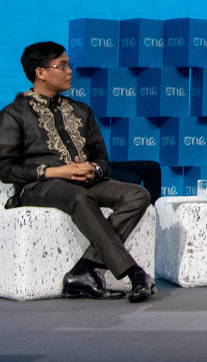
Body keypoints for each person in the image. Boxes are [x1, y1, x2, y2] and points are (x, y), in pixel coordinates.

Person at [0, 42, 156, 302]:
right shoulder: (14, 114)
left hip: (85, 182)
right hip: (40, 187)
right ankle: (134, 273)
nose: (69, 71)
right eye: (61, 66)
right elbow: (5, 169)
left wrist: (92, 169)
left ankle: (83, 271)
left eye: (68, 64)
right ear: (40, 72)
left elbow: (103, 160)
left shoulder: (80, 110)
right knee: (80, 198)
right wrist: (56, 171)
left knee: (138, 195)